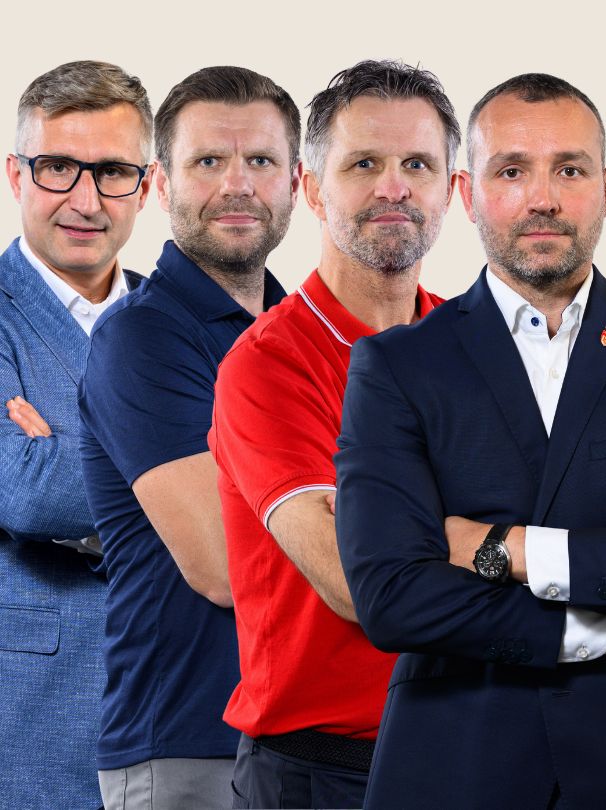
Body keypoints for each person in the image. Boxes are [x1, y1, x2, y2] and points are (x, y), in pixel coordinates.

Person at [335, 72, 606, 810]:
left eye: (568, 171)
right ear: (469, 193)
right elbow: (393, 597)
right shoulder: (397, 365)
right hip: (458, 762)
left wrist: (501, 549)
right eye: (512, 171)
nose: (542, 198)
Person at [209, 59, 457, 809]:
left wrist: (403, 528)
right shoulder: (268, 364)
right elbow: (358, 581)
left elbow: (564, 523)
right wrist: (513, 545)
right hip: (320, 775)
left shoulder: (474, 346)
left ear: (451, 189)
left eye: (418, 164)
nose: (394, 188)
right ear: (313, 189)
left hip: (468, 752)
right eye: (364, 164)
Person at [78, 66, 300, 809]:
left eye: (260, 160)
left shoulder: (306, 335)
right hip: (186, 745)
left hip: (301, 737)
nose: (237, 184)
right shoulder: (142, 338)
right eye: (208, 161)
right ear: (162, 184)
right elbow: (227, 565)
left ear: (296, 182)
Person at [0, 60, 152, 810]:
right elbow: (28, 494)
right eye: (58, 167)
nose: (85, 201)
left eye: (113, 172)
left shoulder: (180, 320)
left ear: (147, 187)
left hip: (179, 712)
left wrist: (67, 464)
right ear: (15, 175)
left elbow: (249, 491)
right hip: (33, 712)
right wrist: (179, 489)